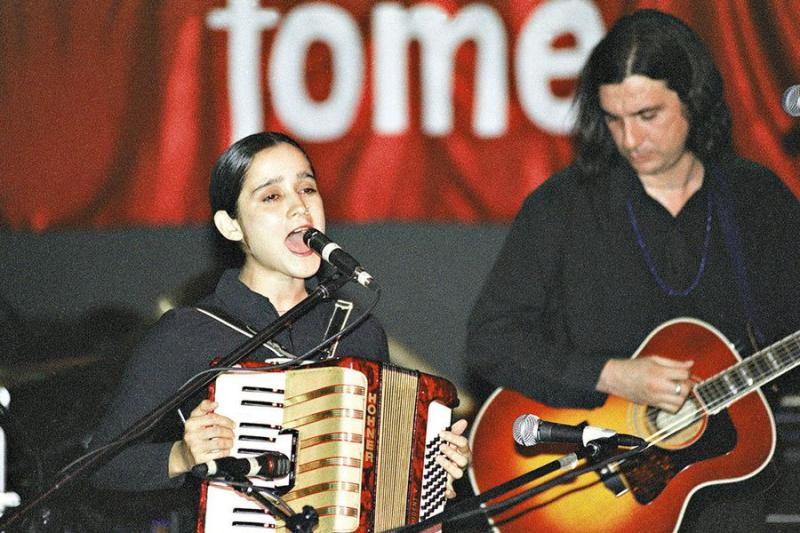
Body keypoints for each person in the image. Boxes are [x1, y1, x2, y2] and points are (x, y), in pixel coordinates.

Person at [466, 9, 799, 533]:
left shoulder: (757, 200)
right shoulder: (563, 207)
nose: (629, 139)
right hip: (598, 492)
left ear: (694, 102)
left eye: (647, 115)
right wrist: (615, 375)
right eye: (613, 119)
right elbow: (491, 340)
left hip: (727, 488)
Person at [89, 131, 471, 530]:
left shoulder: (357, 331)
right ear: (231, 225)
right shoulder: (187, 332)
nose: (299, 207)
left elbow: (373, 487)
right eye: (272, 196)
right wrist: (182, 456)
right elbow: (102, 464)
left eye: (308, 188)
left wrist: (426, 475)